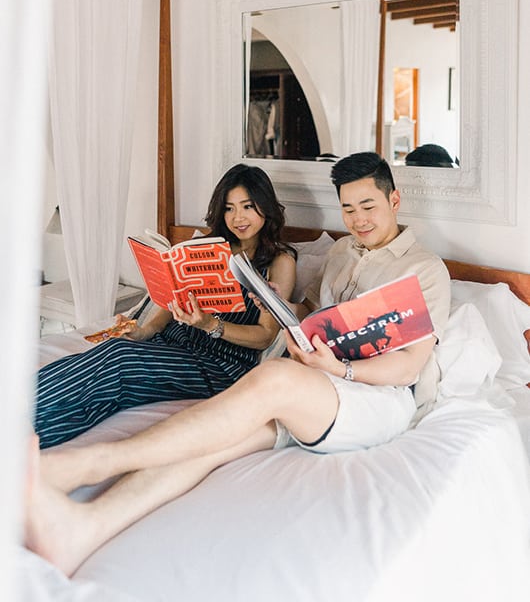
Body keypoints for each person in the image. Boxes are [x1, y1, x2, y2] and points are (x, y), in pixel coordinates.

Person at [26, 152, 451, 575]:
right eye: (348, 208)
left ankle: (74, 466)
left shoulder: (424, 270)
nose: (358, 219)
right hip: (315, 386)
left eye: (369, 207)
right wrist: (274, 302)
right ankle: (81, 528)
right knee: (209, 442)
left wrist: (339, 369)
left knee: (271, 376)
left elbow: (409, 367)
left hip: (371, 393)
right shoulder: (341, 252)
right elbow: (310, 312)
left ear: (394, 200)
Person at [34, 164, 296, 448]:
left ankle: (32, 431)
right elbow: (174, 298)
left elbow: (266, 336)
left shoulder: (279, 261)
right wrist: (144, 332)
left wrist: (211, 325)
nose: (238, 217)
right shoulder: (211, 246)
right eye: (229, 208)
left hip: (222, 363)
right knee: (111, 348)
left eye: (247, 206)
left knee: (121, 361)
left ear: (264, 206)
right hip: (177, 342)